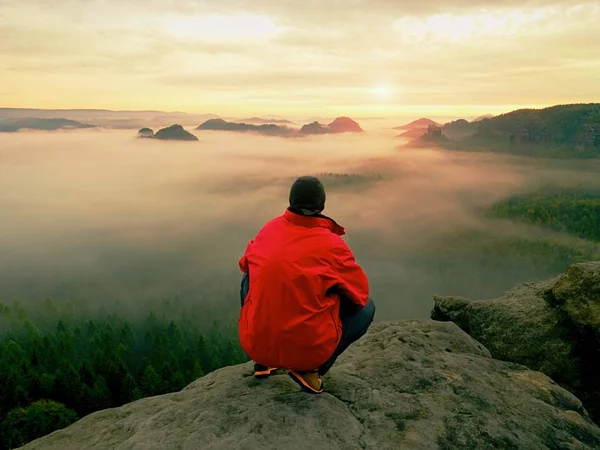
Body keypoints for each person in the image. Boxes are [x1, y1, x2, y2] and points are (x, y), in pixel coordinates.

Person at [238, 175, 375, 393]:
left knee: (250, 274)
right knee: (367, 307)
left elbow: (244, 264)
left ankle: (263, 363)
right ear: (322, 206)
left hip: (255, 344)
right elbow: (359, 293)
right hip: (307, 353)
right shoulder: (332, 245)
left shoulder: (269, 229)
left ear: (291, 201)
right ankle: (312, 371)